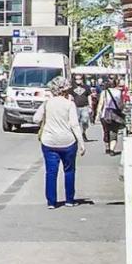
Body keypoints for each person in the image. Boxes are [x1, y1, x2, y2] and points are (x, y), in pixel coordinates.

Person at [33, 76, 85, 209]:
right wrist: (81, 143)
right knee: (69, 171)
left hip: (49, 141)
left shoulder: (47, 103)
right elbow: (74, 124)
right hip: (68, 141)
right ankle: (69, 200)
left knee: (51, 172)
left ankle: (51, 202)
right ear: (66, 90)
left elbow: (36, 119)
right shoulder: (69, 104)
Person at [97, 79, 126, 155]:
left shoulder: (104, 92)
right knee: (114, 132)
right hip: (115, 115)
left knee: (106, 131)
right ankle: (112, 150)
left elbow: (100, 104)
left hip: (105, 115)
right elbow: (121, 105)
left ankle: (107, 148)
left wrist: (98, 114)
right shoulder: (119, 92)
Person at [69, 75, 92, 140]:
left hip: (85, 106)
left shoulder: (86, 87)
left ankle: (83, 132)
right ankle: (77, 135)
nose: (78, 80)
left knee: (85, 121)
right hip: (75, 107)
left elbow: (89, 96)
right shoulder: (72, 88)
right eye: (76, 79)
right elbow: (70, 97)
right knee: (76, 122)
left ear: (82, 79)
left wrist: (90, 106)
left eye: (80, 79)